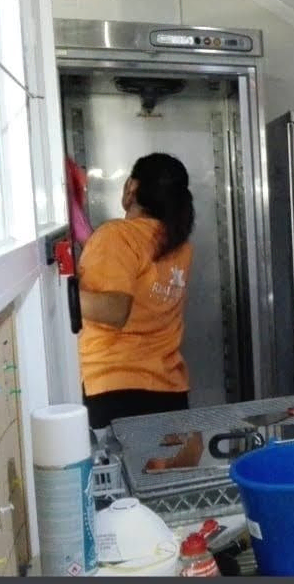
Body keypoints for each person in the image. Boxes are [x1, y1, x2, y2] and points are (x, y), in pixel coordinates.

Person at [78, 153, 195, 430]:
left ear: (131, 186)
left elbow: (115, 310)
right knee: (162, 474)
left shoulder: (117, 235)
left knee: (119, 474)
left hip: (114, 390)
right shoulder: (178, 244)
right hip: (169, 390)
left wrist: (61, 294)